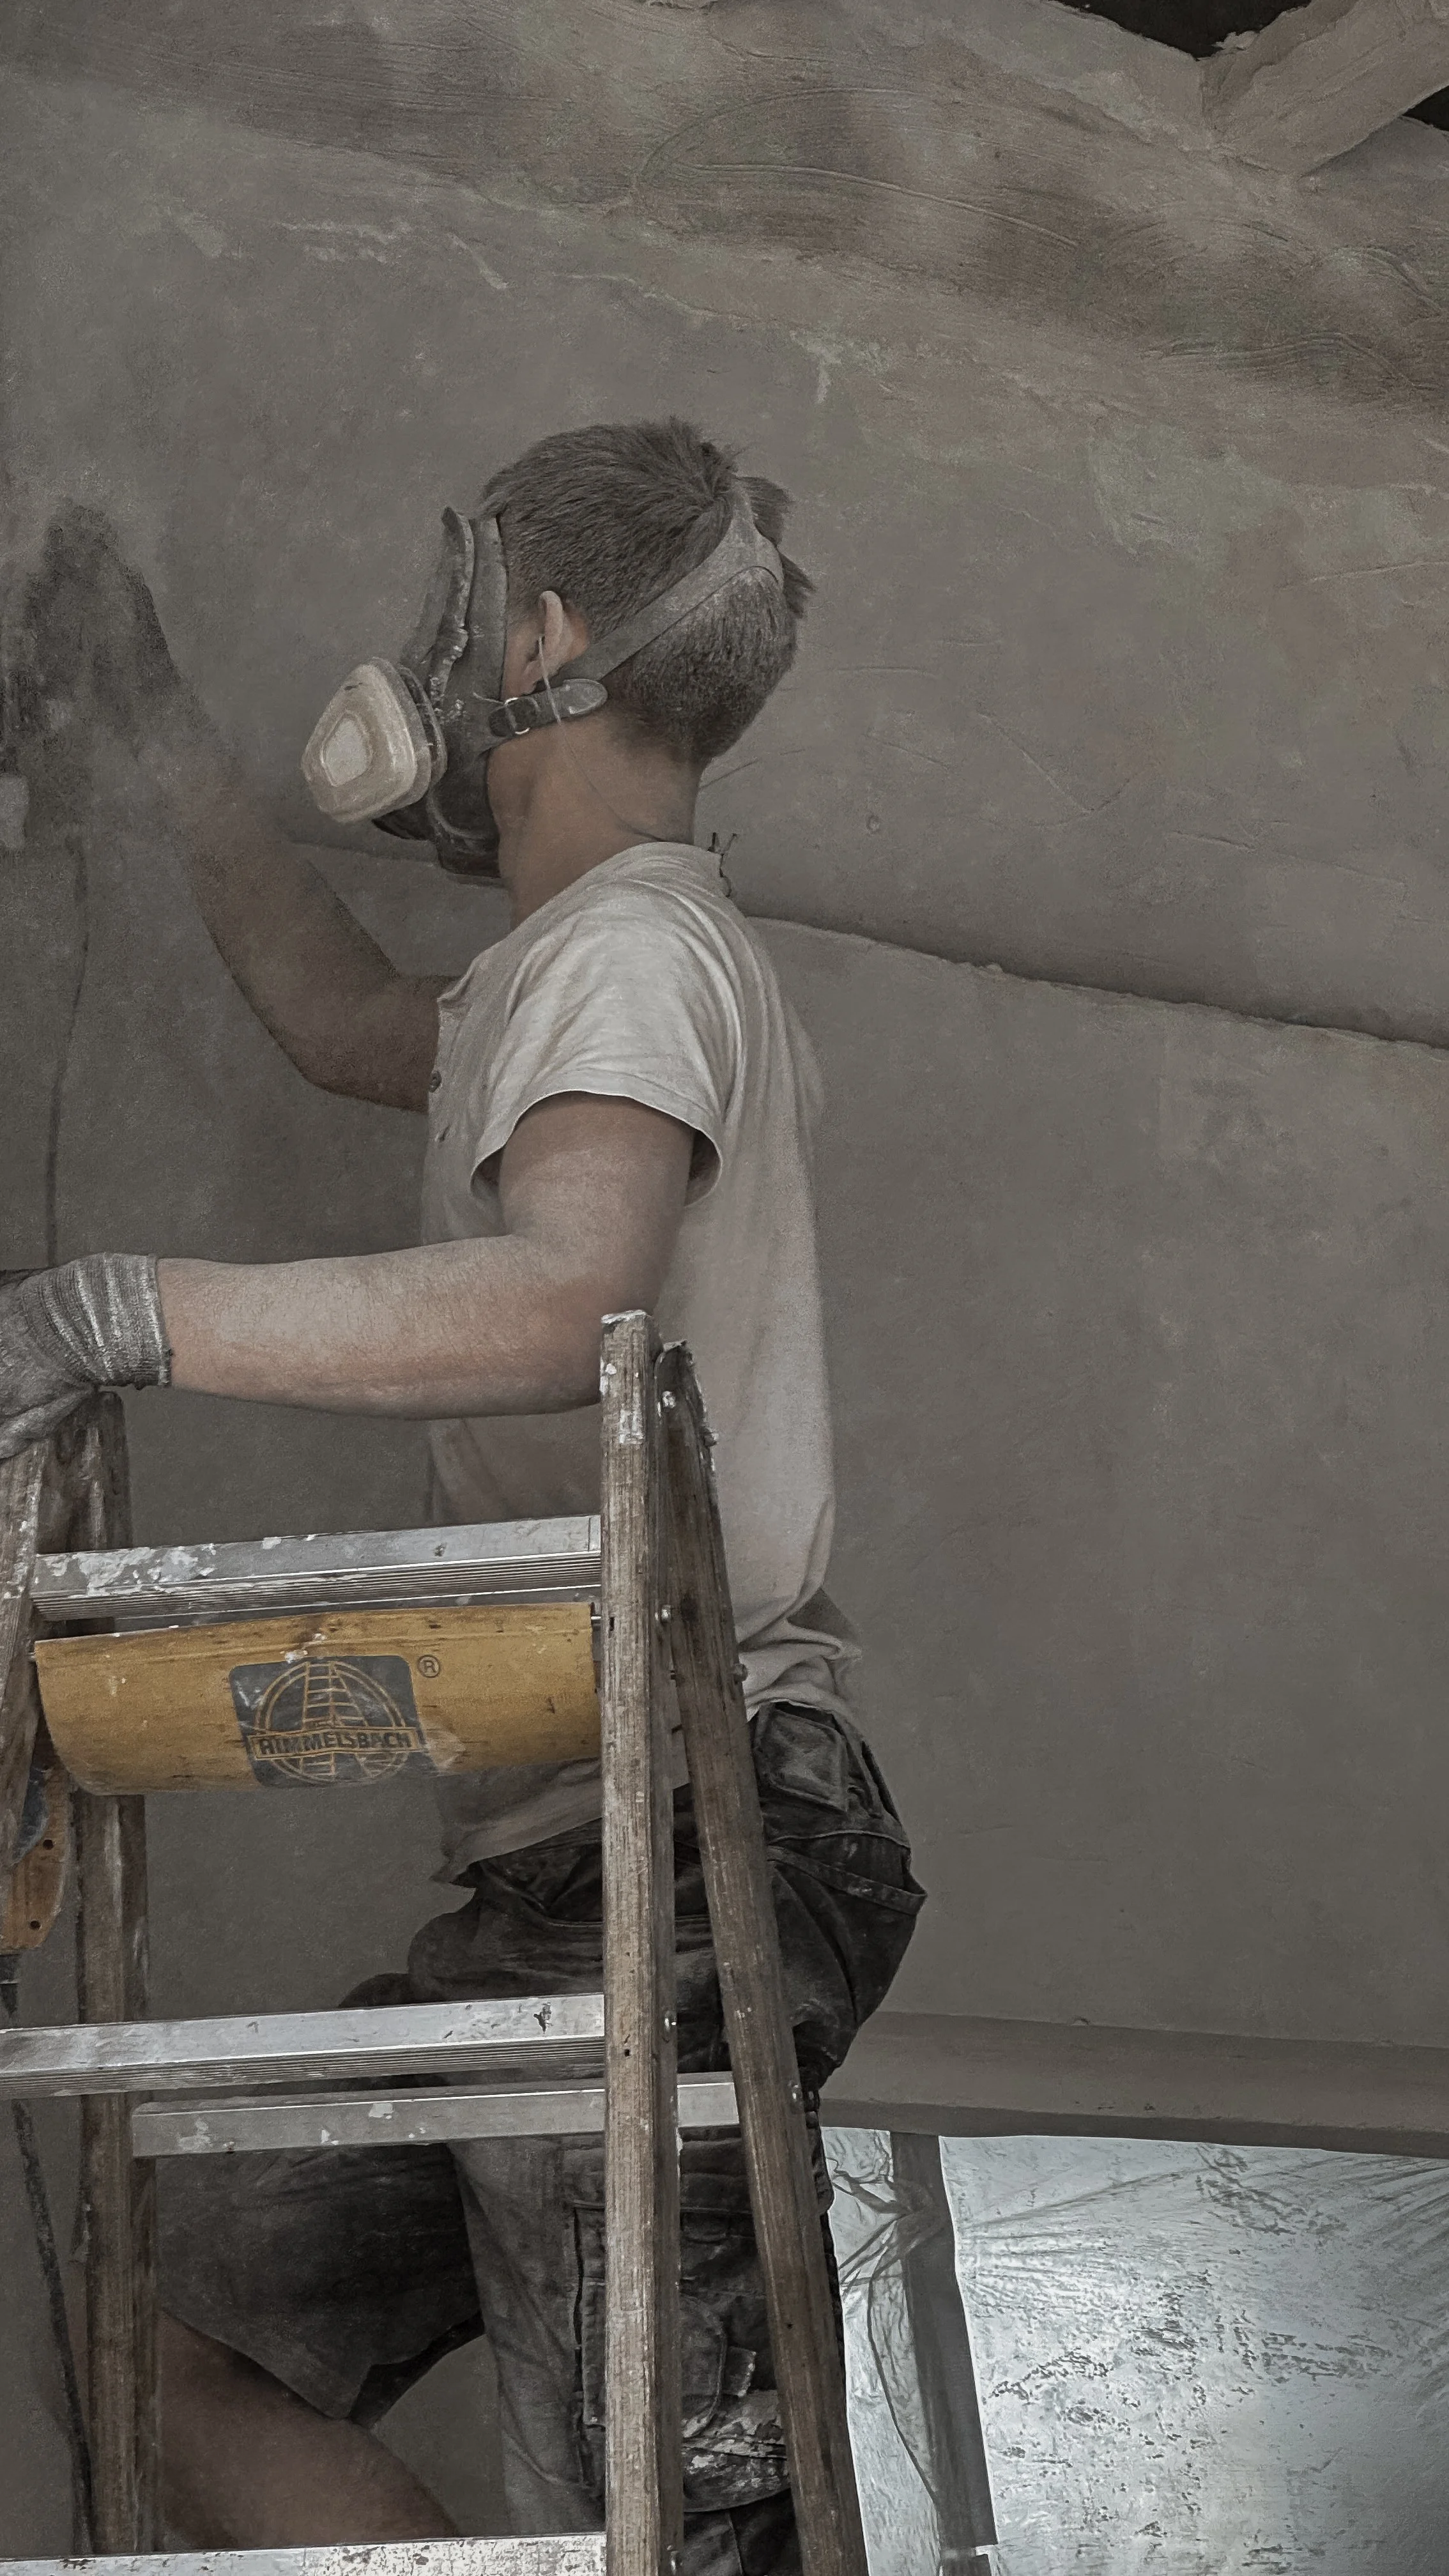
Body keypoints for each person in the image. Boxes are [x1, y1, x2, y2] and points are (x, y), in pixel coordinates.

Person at [0, 420, 923, 2572]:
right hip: (573, 1865)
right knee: (176, 2342)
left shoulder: (631, 952)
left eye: (469, 592)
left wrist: (109, 1311)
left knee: (664, 2516)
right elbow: (342, 1020)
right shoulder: (562, 968)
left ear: (537, 635)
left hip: (694, 1844)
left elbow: (559, 1297)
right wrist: (145, 724)